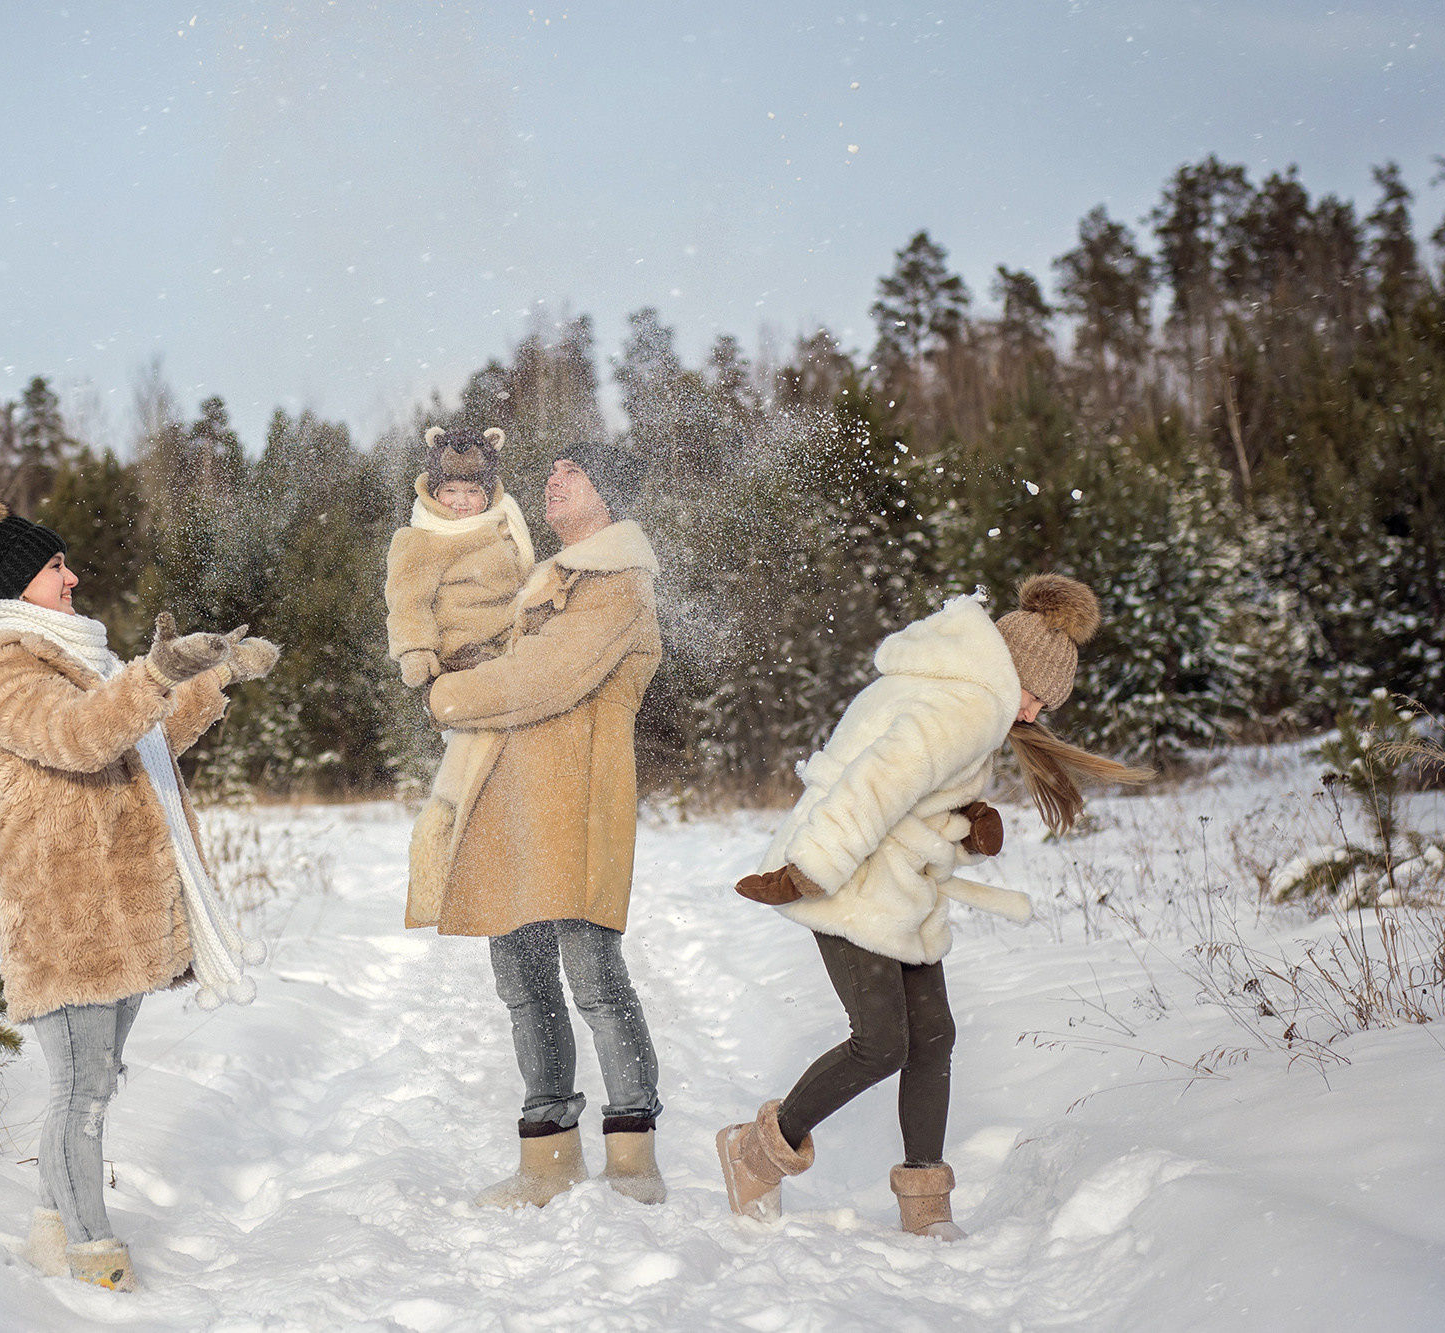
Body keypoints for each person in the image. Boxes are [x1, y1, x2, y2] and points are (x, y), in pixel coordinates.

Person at [715, 575, 1152, 1237]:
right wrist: (813, 868)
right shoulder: (967, 707)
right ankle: (755, 1151)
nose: (1033, 714)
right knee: (881, 1042)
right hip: (850, 884)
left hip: (895, 888)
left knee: (934, 1035)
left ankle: (926, 1206)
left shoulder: (959, 690)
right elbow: (876, 782)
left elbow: (915, 789)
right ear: (1017, 674)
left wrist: (968, 822)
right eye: (1037, 698)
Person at [0, 490, 280, 1291]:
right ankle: (94, 1258)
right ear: (16, 584)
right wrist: (155, 670)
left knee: (93, 1083)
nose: (74, 576)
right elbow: (81, 737)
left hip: (111, 907)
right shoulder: (1, 671)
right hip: (64, 909)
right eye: (56, 567)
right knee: (82, 1092)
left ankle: (52, 1237)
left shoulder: (70, 659)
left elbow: (137, 737)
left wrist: (209, 673)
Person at [412, 442, 668, 1209]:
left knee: (593, 978)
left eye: (574, 474)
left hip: (579, 802)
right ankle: (547, 1159)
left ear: (609, 495)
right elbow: (489, 651)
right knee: (523, 981)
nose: (553, 482)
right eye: (550, 473)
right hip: (510, 804)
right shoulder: (540, 579)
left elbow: (549, 675)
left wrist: (450, 697)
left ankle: (632, 1161)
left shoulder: (619, 580)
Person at [384, 425, 535, 686]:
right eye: (450, 491)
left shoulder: (503, 525)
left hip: (512, 643)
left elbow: (523, 579)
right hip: (460, 653)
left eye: (473, 491)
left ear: (487, 496)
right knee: (481, 713)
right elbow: (408, 602)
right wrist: (415, 650)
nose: (461, 501)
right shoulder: (422, 539)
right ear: (435, 493)